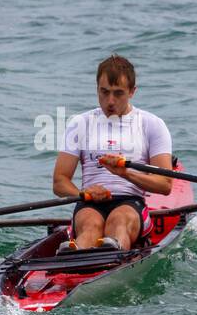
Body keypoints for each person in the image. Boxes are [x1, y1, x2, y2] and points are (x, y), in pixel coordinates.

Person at [52, 54, 173, 252]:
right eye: (104, 92)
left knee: (119, 221)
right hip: (89, 203)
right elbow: (59, 182)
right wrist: (83, 194)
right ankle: (76, 255)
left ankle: (111, 252)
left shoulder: (152, 124)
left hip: (130, 202)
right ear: (96, 89)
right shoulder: (80, 124)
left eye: (118, 93)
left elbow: (165, 184)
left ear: (132, 92)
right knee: (90, 225)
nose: (110, 101)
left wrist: (125, 173)